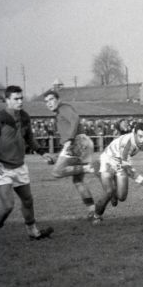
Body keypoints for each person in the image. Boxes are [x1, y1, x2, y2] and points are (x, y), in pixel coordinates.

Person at [0, 85, 54, 243]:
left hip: (19, 166)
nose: (20, 102)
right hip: (1, 167)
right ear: (7, 100)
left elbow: (29, 138)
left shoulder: (25, 117)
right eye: (16, 99)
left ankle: (33, 232)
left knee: (28, 200)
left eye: (21, 98)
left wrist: (42, 152)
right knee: (8, 205)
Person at [43, 90, 99, 219]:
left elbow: (75, 119)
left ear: (58, 99)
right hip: (83, 142)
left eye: (51, 99)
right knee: (78, 181)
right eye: (46, 101)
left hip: (77, 142)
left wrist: (70, 139)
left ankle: (89, 168)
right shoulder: (60, 113)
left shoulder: (63, 108)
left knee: (57, 172)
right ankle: (93, 211)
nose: (49, 103)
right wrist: (57, 157)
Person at [92, 123, 143, 224]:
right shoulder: (126, 144)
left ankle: (114, 192)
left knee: (122, 197)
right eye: (140, 136)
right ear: (134, 133)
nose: (142, 140)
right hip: (108, 161)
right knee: (108, 191)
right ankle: (97, 216)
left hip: (121, 163)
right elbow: (130, 172)